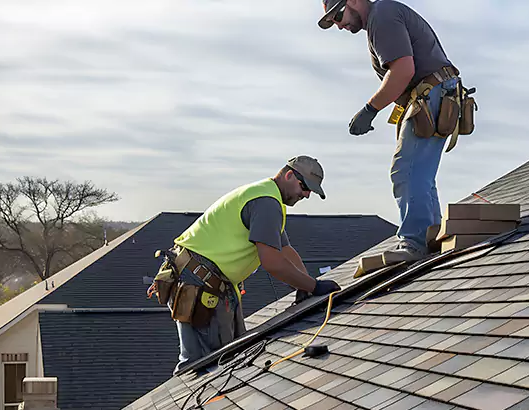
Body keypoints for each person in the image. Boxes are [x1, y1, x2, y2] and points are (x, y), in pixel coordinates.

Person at [152, 155, 341, 373]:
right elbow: (272, 262)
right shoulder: (266, 202)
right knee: (202, 366)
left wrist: (305, 284)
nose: (306, 195)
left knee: (230, 357)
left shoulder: (268, 199)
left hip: (211, 282)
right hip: (200, 282)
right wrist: (314, 287)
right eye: (304, 187)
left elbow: (285, 251)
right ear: (289, 175)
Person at [318, 0, 461, 262]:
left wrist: (370, 109)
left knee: (405, 170)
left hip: (431, 94)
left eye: (338, 15)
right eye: (333, 22)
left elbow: (403, 70)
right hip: (434, 94)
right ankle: (431, 237)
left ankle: (415, 242)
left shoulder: (381, 15)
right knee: (420, 172)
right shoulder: (382, 17)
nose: (339, 25)